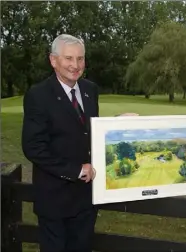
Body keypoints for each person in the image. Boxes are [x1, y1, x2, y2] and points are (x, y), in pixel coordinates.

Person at [21, 34, 137, 252]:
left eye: (80, 59)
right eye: (69, 58)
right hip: (54, 200)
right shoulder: (38, 95)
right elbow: (33, 147)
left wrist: (115, 124)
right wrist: (74, 170)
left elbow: (86, 130)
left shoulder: (90, 89)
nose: (75, 65)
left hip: (85, 199)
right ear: (53, 60)